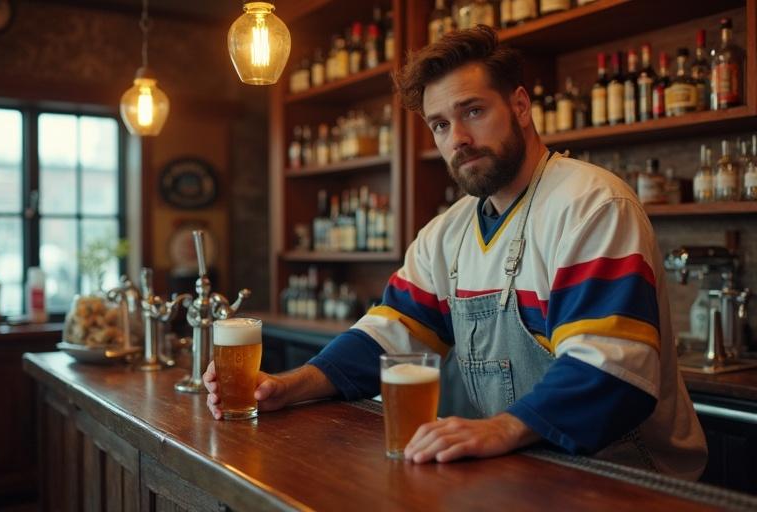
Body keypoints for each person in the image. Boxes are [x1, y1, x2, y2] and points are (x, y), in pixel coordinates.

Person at [205, 25, 707, 479]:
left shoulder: (590, 204)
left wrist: (500, 428)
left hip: (626, 477)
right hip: (524, 467)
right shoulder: (448, 233)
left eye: (473, 111)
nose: (458, 139)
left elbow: (610, 369)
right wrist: (287, 387)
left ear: (521, 106)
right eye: (440, 125)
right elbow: (389, 334)